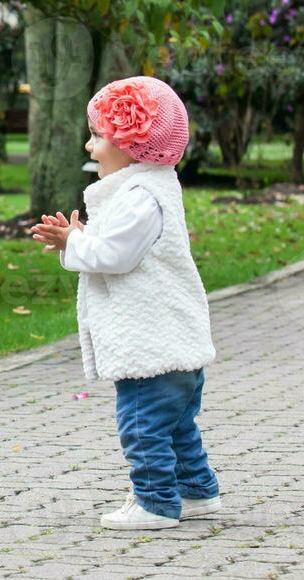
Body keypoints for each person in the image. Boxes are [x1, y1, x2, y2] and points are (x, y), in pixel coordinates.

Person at [29, 76, 221, 530]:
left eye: (98, 136)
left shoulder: (140, 196)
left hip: (151, 344)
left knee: (142, 425)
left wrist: (75, 241)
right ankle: (197, 491)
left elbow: (117, 256)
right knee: (176, 427)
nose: (89, 145)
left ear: (131, 144)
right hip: (172, 340)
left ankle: (155, 502)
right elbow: (121, 247)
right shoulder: (146, 190)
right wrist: (78, 238)